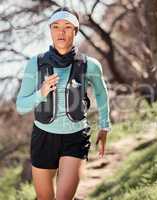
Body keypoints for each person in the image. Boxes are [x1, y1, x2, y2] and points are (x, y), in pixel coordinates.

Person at [16, 7, 110, 200]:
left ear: (75, 31)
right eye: (56, 27)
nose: (61, 32)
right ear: (50, 30)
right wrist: (40, 93)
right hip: (43, 136)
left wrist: (104, 126)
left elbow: (101, 94)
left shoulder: (89, 65)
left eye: (67, 27)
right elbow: (21, 105)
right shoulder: (35, 64)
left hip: (75, 137)